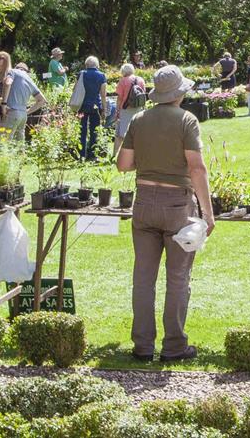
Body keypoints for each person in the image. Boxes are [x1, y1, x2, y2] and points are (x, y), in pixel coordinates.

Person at [117, 65, 214, 362]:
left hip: (144, 201)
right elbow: (196, 168)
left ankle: (143, 346)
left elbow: (123, 164)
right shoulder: (187, 120)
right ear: (180, 93)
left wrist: (150, 160)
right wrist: (208, 214)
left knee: (143, 279)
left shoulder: (140, 119)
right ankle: (174, 346)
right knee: (178, 277)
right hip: (177, 204)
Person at [0, 51, 47, 141]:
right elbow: (42, 100)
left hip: (11, 112)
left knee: (2, 143)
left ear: (17, 68)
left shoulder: (13, 72)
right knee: (19, 146)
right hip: (23, 116)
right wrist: (26, 111)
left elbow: (7, 83)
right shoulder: (30, 80)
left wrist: (3, 104)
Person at [76, 56, 107, 161]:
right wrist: (104, 109)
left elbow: (76, 89)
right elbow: (103, 95)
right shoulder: (101, 75)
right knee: (94, 130)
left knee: (82, 130)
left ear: (86, 65)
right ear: (97, 65)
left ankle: (81, 155)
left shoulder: (81, 74)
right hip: (95, 105)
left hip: (82, 105)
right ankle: (92, 155)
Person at [114, 64, 146, 155]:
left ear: (123, 71)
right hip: (138, 109)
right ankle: (139, 153)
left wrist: (117, 111)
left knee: (120, 135)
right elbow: (143, 95)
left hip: (126, 110)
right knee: (138, 133)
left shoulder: (123, 81)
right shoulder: (141, 80)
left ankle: (115, 155)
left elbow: (120, 98)